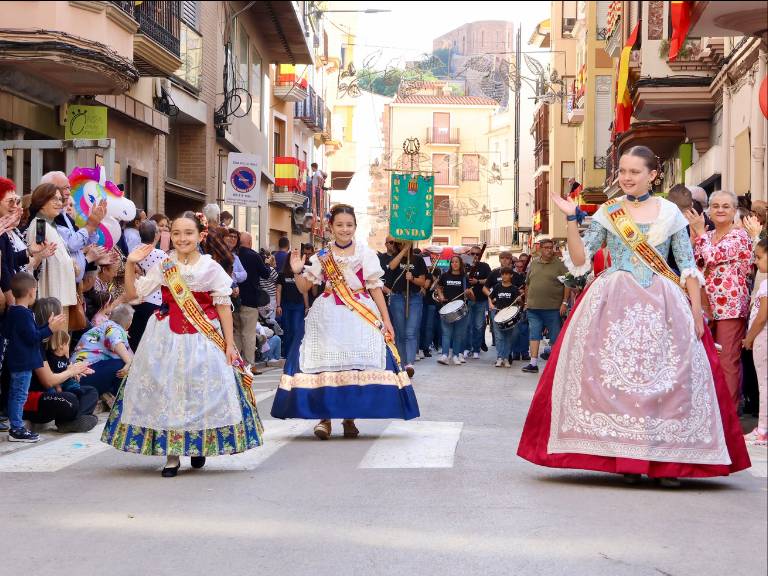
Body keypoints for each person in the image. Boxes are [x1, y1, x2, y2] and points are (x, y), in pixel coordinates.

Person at [517, 145, 750, 486]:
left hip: (664, 301)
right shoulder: (608, 212)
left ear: (653, 176)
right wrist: (571, 218)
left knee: (669, 381)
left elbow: (686, 265)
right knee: (614, 379)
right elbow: (582, 259)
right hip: (614, 299)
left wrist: (697, 313)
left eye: (634, 172)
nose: (626, 177)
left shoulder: (671, 213)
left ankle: (668, 460)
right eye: (623, 171)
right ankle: (625, 456)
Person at [101, 211, 263, 477]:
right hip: (166, 336)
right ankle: (172, 455)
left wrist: (230, 344)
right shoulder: (164, 265)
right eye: (175, 233)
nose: (181, 238)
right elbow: (133, 294)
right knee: (169, 391)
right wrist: (130, 264)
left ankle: (198, 444)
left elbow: (223, 306)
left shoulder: (210, 267)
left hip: (203, 336)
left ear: (200, 236)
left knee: (201, 390)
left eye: (188, 233)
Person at [270, 204, 418, 440]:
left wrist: (386, 320)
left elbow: (376, 288)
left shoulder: (365, 254)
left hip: (359, 313)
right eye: (339, 225)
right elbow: (304, 288)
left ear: (355, 227)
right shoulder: (322, 256)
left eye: (349, 225)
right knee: (323, 364)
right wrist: (297, 270)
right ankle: (324, 419)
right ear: (331, 227)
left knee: (357, 364)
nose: (344, 229)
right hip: (328, 314)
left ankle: (349, 418)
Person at [688, 190, 753, 411]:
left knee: (727, 361)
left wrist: (699, 234)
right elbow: (696, 266)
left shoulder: (739, 236)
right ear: (709, 210)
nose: (720, 210)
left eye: (726, 206)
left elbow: (712, 256)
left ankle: (729, 413)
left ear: (734, 211)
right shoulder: (708, 236)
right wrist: (696, 237)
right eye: (715, 206)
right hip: (705, 306)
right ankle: (710, 411)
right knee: (706, 359)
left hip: (730, 307)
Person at [3, 272, 67, 442]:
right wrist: (50, 329)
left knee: (17, 394)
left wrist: (47, 325)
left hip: (19, 361)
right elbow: (33, 337)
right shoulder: (22, 314)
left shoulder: (14, 311)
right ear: (32, 291)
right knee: (19, 395)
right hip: (22, 363)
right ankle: (16, 429)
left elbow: (27, 333)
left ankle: (16, 426)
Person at [27, 297, 98, 433]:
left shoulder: (55, 342)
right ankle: (73, 420)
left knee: (90, 392)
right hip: (35, 399)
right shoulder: (36, 344)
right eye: (60, 314)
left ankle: (70, 421)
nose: (64, 318)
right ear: (51, 317)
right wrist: (70, 372)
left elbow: (60, 373)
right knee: (70, 399)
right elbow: (48, 381)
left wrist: (72, 370)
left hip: (54, 394)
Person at [40, 171, 107, 285]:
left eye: (69, 188)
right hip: (57, 283)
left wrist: (94, 224)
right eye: (64, 188)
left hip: (71, 282)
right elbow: (72, 244)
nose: (67, 193)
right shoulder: (40, 222)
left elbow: (85, 242)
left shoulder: (63, 215)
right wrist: (90, 225)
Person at [26, 184, 79, 326]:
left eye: (60, 199)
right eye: (53, 199)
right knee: (57, 344)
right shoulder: (40, 225)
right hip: (52, 298)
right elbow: (36, 260)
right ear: (42, 202)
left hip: (59, 296)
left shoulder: (49, 225)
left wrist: (70, 263)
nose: (59, 203)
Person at [521, 239, 570, 373]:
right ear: (541, 249)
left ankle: (554, 366)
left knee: (555, 337)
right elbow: (528, 284)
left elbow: (567, 284)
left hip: (553, 308)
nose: (549, 250)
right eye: (546, 248)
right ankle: (533, 363)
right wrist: (526, 302)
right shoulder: (534, 264)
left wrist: (564, 302)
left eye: (551, 247)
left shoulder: (560, 265)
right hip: (533, 308)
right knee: (534, 335)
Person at [72, 304, 135, 406]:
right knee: (123, 364)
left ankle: (110, 396)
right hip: (83, 375)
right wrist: (128, 362)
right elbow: (115, 340)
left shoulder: (102, 327)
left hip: (77, 376)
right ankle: (121, 402)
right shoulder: (112, 327)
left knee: (125, 364)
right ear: (129, 323)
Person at [386, 241, 426, 375]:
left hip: (414, 297)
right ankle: (401, 363)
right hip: (397, 297)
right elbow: (391, 267)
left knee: (411, 332)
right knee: (400, 332)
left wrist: (413, 278)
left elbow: (423, 281)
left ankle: (409, 364)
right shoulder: (395, 256)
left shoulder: (418, 260)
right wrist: (404, 252)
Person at [235, 232, 274, 368]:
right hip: (250, 299)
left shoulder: (234, 255)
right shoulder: (254, 256)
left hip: (234, 300)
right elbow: (266, 274)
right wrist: (268, 264)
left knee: (237, 333)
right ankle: (250, 364)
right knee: (249, 333)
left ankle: (237, 363)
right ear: (250, 242)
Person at [742, 239, 767, 444]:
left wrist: (749, 338)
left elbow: (762, 317)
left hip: (762, 337)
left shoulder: (767, 284)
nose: (756, 262)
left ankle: (763, 429)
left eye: (759, 257)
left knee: (764, 384)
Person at [128, 220, 166, 349]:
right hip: (155, 298)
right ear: (156, 235)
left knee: (136, 334)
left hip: (135, 297)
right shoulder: (161, 254)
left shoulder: (133, 251)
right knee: (150, 337)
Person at [436, 255, 472, 366]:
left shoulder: (464, 277)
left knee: (458, 334)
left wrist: (468, 293)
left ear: (460, 264)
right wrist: (441, 295)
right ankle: (445, 355)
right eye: (452, 262)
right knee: (446, 333)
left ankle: (456, 355)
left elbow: (471, 295)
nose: (454, 264)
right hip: (446, 307)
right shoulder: (445, 275)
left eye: (457, 262)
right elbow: (439, 286)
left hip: (461, 309)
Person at [276, 255, 308, 363]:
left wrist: (307, 306)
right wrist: (278, 305)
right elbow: (278, 291)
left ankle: (295, 352)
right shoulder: (282, 274)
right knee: (287, 329)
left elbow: (304, 291)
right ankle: (287, 353)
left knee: (295, 329)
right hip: (286, 305)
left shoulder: (301, 273)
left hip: (298, 305)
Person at [488, 267, 521, 367]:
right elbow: (490, 297)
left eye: (507, 274)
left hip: (509, 316)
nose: (504, 276)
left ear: (511, 275)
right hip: (498, 314)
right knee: (499, 337)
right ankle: (499, 357)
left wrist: (520, 299)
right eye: (503, 274)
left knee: (508, 338)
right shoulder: (497, 287)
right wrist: (491, 304)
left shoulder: (514, 289)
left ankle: (506, 358)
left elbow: (519, 304)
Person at [465, 245, 491, 359]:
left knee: (479, 326)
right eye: (473, 254)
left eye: (477, 254)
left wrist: (478, 281)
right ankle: (467, 348)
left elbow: (489, 280)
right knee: (467, 326)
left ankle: (476, 349)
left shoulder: (485, 266)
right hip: (467, 301)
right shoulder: (465, 266)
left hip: (481, 300)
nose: (475, 256)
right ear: (469, 254)